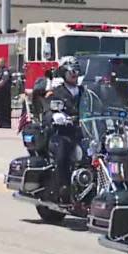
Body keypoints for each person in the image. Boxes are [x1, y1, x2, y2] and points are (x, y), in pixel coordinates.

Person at [45, 57, 92, 205]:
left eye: (77, 71)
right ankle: (63, 187)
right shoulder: (56, 93)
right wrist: (55, 115)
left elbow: (98, 106)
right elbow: (46, 111)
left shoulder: (86, 92)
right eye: (71, 71)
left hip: (83, 133)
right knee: (62, 152)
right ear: (63, 73)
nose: (74, 74)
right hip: (62, 134)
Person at [0, 57, 13, 128]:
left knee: (5, 107)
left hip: (5, 93)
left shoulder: (5, 71)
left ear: (3, 63)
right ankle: (0, 122)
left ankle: (6, 123)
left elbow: (4, 80)